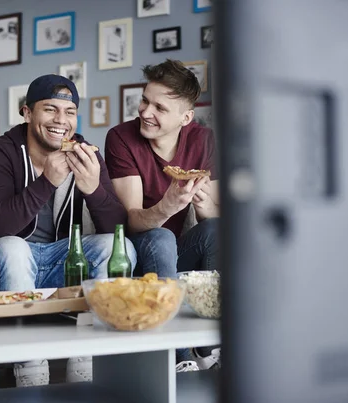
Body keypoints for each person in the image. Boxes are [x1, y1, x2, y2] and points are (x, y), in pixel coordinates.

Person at [0, 74, 136, 387]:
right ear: (27, 113)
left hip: (65, 262)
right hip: (13, 263)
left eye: (69, 112)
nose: (60, 121)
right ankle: (30, 365)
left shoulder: (87, 153)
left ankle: (88, 360)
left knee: (121, 249)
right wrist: (45, 183)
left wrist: (94, 191)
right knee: (13, 246)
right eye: (50, 110)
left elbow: (117, 231)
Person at [104, 59, 220, 370]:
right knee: (161, 235)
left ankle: (209, 349)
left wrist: (202, 204)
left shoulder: (203, 140)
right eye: (144, 100)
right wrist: (169, 205)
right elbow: (133, 220)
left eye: (159, 108)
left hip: (179, 257)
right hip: (139, 255)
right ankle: (180, 361)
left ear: (186, 117)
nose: (145, 112)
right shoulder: (121, 138)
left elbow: (212, 217)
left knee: (216, 231)